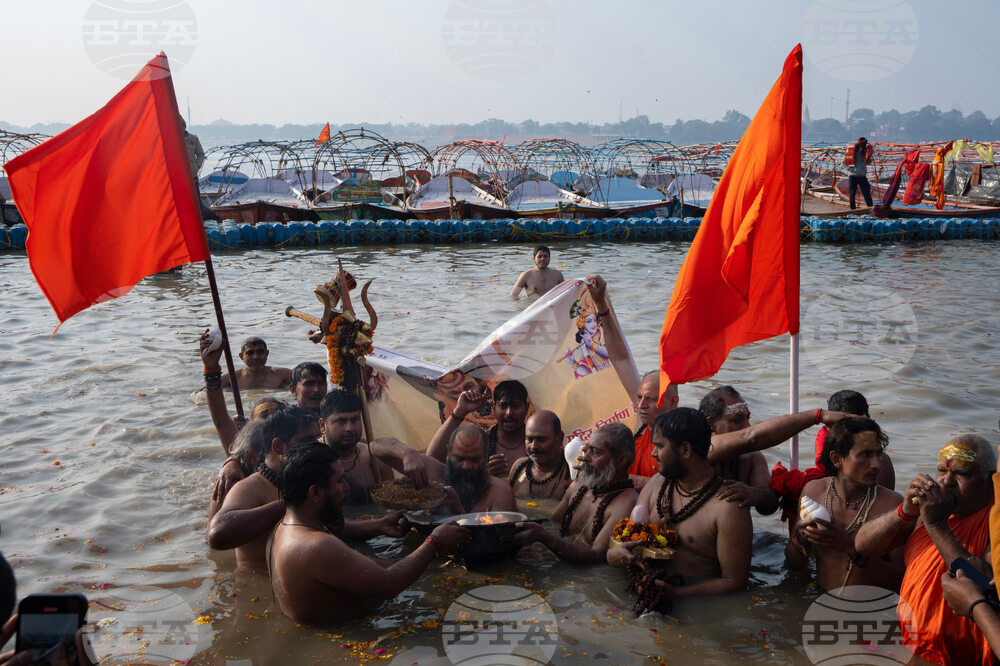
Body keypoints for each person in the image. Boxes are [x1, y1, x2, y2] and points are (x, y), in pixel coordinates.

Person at [269, 444, 469, 624]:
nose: (346, 488)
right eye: (340, 482)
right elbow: (390, 584)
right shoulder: (316, 545)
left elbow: (362, 567)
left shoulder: (284, 527)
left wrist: (431, 564)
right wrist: (433, 542)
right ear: (314, 493)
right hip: (354, 637)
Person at [855, 435, 997, 665]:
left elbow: (986, 588)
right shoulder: (928, 511)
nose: (946, 481)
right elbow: (862, 545)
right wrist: (904, 511)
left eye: (961, 474)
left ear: (990, 481)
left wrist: (937, 525)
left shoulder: (994, 520)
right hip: (912, 648)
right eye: (942, 470)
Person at [607, 408, 752, 600]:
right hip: (642, 593)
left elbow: (735, 582)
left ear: (685, 449)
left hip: (692, 610)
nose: (653, 454)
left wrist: (678, 594)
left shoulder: (728, 507)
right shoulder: (657, 484)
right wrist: (615, 556)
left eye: (659, 446)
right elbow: (622, 544)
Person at [785, 418, 905, 592]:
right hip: (822, 602)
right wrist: (800, 540)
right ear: (836, 459)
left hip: (870, 612)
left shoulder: (892, 505)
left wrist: (849, 548)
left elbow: (903, 582)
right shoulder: (814, 492)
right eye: (865, 455)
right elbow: (794, 564)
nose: (877, 464)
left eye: (878, 454)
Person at [206, 407, 322, 573]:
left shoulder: (306, 474)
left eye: (317, 439)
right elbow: (216, 535)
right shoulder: (249, 487)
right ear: (277, 447)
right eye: (307, 441)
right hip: (263, 586)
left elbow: (337, 525)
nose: (316, 446)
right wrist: (290, 504)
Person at [513, 423, 637, 564]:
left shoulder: (627, 502)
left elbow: (595, 556)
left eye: (595, 452)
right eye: (586, 449)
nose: (585, 457)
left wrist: (544, 538)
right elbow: (551, 524)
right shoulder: (579, 486)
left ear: (620, 460)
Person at [371, 426, 516, 514]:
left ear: (486, 458)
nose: (466, 466)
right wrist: (408, 454)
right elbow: (375, 446)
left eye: (474, 459)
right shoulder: (434, 472)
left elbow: (495, 541)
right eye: (459, 458)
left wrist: (457, 510)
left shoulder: (499, 491)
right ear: (448, 454)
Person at [700, 386, 780, 515]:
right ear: (711, 424)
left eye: (747, 418)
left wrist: (756, 494)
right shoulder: (700, 451)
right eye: (737, 420)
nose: (747, 427)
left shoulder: (753, 457)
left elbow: (769, 507)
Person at [426, 380, 530, 477]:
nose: (509, 412)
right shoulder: (480, 442)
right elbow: (431, 460)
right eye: (503, 406)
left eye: (516, 406)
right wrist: (459, 411)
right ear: (494, 408)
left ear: (526, 408)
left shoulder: (537, 441)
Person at [319, 389, 393, 505]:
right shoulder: (312, 460)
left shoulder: (374, 457)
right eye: (341, 421)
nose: (350, 428)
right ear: (323, 425)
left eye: (354, 420)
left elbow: (391, 503)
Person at [507, 410, 572, 502]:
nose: (534, 446)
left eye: (541, 439)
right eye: (529, 439)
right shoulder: (519, 467)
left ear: (559, 438)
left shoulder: (573, 472)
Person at [221, 337, 292, 390]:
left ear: (267, 354)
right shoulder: (229, 379)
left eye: (260, 352)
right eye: (250, 353)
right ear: (241, 356)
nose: (255, 357)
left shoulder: (283, 375)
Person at [846, 136, 873, 209]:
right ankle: (852, 209)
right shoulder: (851, 152)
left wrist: (869, 155)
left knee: (867, 193)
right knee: (852, 194)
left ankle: (870, 208)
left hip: (862, 176)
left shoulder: (865, 153)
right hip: (853, 176)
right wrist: (850, 169)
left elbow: (869, 163)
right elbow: (843, 163)